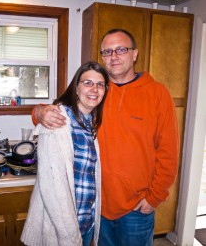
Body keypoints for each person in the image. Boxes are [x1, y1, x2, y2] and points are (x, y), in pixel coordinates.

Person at [31, 29, 179, 246]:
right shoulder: (96, 91)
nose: (114, 56)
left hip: (137, 207)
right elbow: (62, 108)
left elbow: (169, 152)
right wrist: (39, 111)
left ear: (134, 54)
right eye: (107, 51)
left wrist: (155, 196)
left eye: (121, 49)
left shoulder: (157, 93)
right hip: (96, 206)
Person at [21, 61, 109, 246]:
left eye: (100, 84)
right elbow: (53, 189)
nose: (94, 89)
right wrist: (70, 238)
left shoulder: (91, 121)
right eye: (88, 83)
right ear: (76, 88)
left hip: (86, 222)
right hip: (62, 230)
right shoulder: (57, 121)